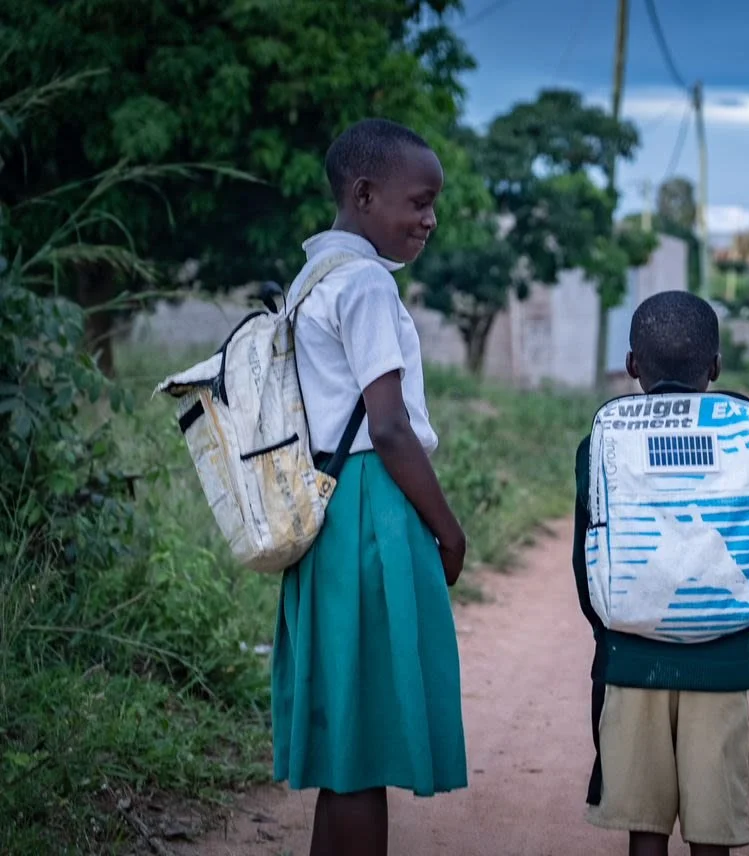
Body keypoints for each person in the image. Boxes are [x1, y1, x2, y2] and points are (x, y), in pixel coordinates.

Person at [272, 118, 469, 856]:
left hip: (324, 508)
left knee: (346, 747)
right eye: (418, 202)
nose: (430, 220)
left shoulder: (310, 282)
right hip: (369, 510)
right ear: (363, 193)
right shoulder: (365, 288)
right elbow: (388, 429)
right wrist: (448, 530)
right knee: (367, 750)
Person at [572, 291, 749, 856]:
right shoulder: (745, 432)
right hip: (724, 657)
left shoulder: (604, 437)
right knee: (711, 832)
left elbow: (583, 557)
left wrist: (610, 632)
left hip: (632, 651)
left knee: (646, 828)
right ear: (715, 368)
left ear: (633, 365)